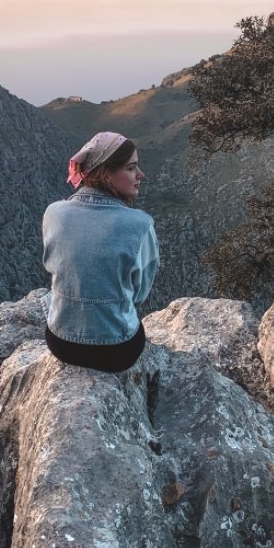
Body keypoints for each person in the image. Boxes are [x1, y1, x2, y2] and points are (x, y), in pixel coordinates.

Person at [41, 131, 159, 372]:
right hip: (116, 351)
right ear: (106, 173)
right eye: (131, 168)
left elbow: (53, 267)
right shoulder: (140, 225)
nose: (140, 175)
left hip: (60, 341)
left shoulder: (54, 213)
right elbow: (139, 294)